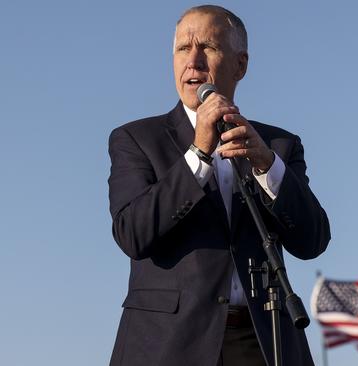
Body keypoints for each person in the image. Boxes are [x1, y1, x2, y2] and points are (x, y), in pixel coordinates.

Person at [107, 5, 330, 366]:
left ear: (240, 65)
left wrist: (266, 165)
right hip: (167, 343)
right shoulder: (135, 139)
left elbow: (313, 240)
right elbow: (132, 233)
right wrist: (199, 152)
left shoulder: (278, 146)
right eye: (182, 49)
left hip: (263, 339)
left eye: (207, 47)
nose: (192, 61)